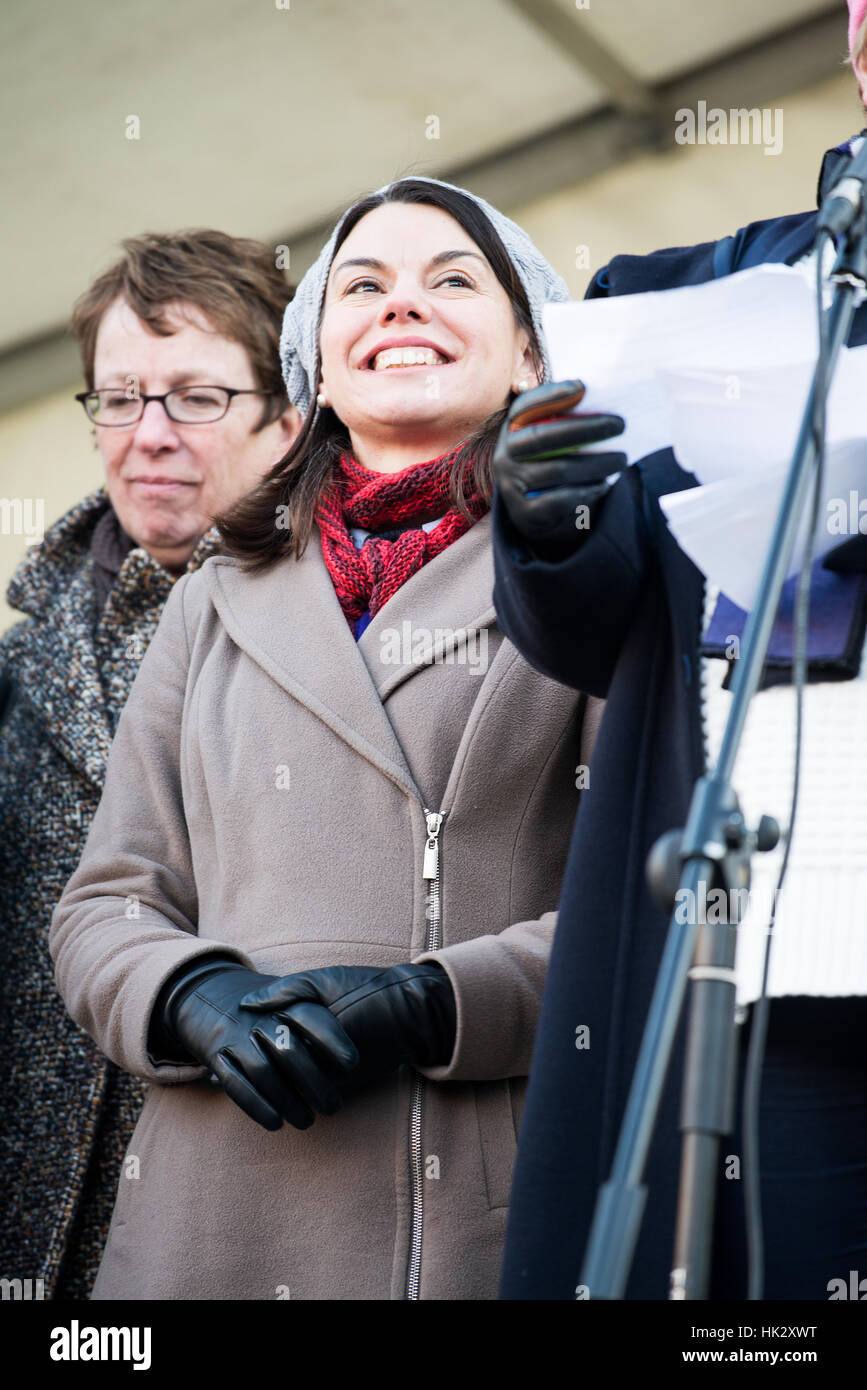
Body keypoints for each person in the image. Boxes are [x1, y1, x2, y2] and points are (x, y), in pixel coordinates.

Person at [49, 176, 604, 1301]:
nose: (403, 306)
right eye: (364, 285)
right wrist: (187, 995)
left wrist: (435, 1002)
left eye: (452, 280)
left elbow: (648, 907)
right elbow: (107, 900)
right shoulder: (213, 599)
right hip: (210, 1205)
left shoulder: (602, 572)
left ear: (533, 354)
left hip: (466, 1206)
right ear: (318, 366)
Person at [491, 1, 867, 1301]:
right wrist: (545, 509)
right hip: (759, 922)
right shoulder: (679, 299)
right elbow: (590, 622)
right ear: (857, 31)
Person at [0, 229, 299, 1298]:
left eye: (194, 398)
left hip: (231, 1206)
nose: (149, 435)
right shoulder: (22, 654)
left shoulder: (350, 633)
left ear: (291, 414)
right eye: (118, 398)